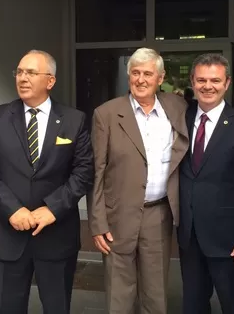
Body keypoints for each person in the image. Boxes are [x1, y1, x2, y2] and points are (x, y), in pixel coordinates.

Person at [0, 50, 94, 314]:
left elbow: (84, 171)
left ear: (50, 81)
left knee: (57, 307)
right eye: (19, 72)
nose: (22, 78)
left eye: (31, 72)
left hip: (56, 233)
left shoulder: (74, 119)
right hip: (8, 233)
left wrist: (53, 208)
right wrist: (12, 210)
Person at [87, 47, 189, 314]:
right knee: (119, 295)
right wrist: (97, 222)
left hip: (159, 214)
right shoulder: (106, 114)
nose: (141, 79)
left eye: (147, 74)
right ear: (128, 75)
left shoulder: (177, 107)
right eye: (135, 73)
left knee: (155, 293)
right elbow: (97, 171)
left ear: (160, 78)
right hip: (118, 215)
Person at [178, 53, 234, 314]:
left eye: (215, 80)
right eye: (201, 80)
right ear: (192, 82)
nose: (208, 86)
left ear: (227, 83)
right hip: (190, 237)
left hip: (229, 241)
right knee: (193, 306)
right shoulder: (180, 119)